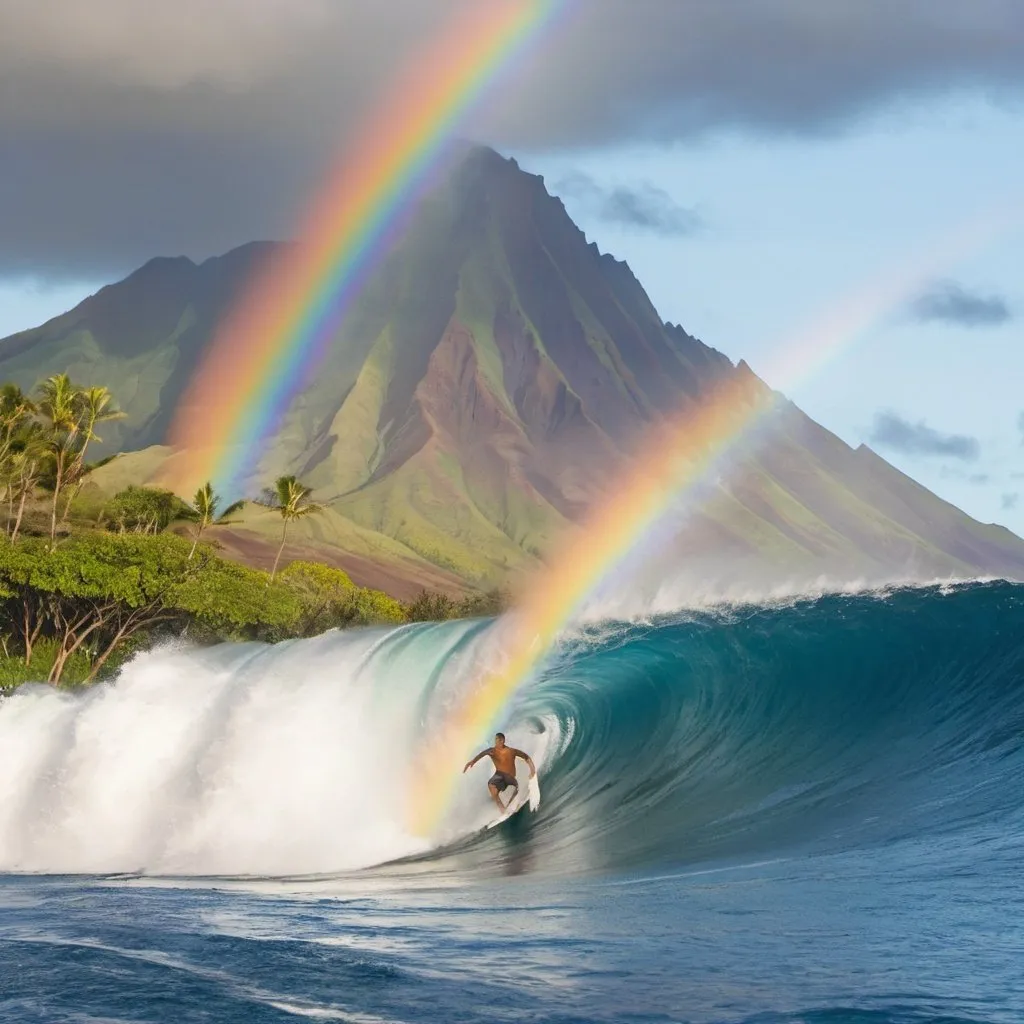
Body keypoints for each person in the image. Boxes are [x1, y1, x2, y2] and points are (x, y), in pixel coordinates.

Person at [463, 732, 536, 813]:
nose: (495, 742)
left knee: (516, 789)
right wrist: (473, 761)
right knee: (491, 785)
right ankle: (502, 810)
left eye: (497, 740)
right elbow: (482, 754)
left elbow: (527, 758)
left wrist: (532, 770)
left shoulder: (512, 751)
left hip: (510, 777)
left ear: (502, 740)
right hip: (499, 775)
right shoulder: (492, 751)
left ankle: (509, 806)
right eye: (495, 740)